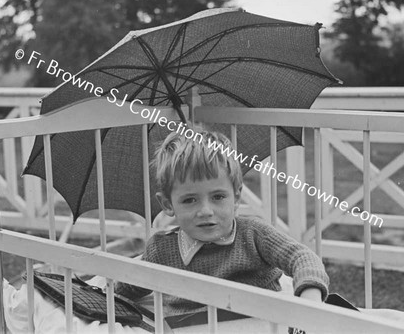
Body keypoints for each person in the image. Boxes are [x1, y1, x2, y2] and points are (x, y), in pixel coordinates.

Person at [114, 130, 329, 317]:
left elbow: (302, 257)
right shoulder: (161, 249)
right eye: (190, 200)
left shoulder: (254, 234)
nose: (205, 211)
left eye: (218, 197)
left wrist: (310, 296)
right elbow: (125, 287)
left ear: (236, 197)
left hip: (259, 324)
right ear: (168, 204)